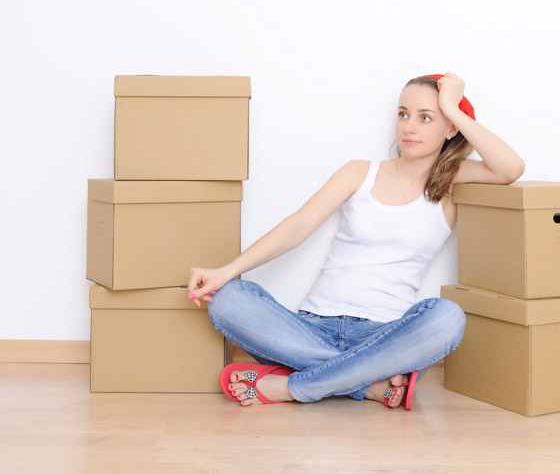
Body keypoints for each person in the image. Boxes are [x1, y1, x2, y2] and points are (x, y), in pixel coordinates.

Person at [187, 71, 525, 409]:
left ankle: (293, 386)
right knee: (229, 299)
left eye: (426, 118)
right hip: (311, 328)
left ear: (451, 127)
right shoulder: (360, 171)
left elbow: (510, 168)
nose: (409, 127)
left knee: (448, 318)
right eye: (403, 113)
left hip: (386, 336)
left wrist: (453, 107)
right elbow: (298, 226)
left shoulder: (452, 182)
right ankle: (369, 385)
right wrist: (227, 271)